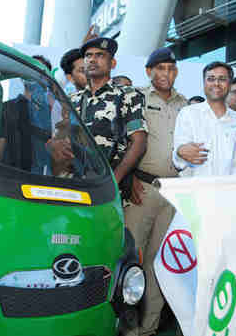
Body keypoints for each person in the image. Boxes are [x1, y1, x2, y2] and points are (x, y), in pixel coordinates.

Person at [124, 47, 187, 336]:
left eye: (171, 69)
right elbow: (119, 139)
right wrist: (127, 179)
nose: (166, 74)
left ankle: (148, 329)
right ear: (149, 71)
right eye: (160, 68)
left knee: (159, 264)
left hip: (174, 194)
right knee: (130, 259)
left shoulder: (185, 104)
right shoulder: (135, 97)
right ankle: (125, 326)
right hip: (142, 190)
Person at [48, 37, 147, 199]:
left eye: (100, 55)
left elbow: (139, 142)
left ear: (112, 63)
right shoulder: (72, 100)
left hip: (108, 189)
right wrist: (54, 145)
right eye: (88, 56)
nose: (92, 59)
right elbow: (60, 139)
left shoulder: (128, 95)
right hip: (73, 186)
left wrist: (114, 180)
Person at [173, 61, 236, 176]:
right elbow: (178, 162)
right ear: (204, 83)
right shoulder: (188, 114)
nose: (216, 83)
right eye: (211, 79)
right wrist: (180, 152)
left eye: (222, 79)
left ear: (230, 84)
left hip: (231, 191)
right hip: (196, 191)